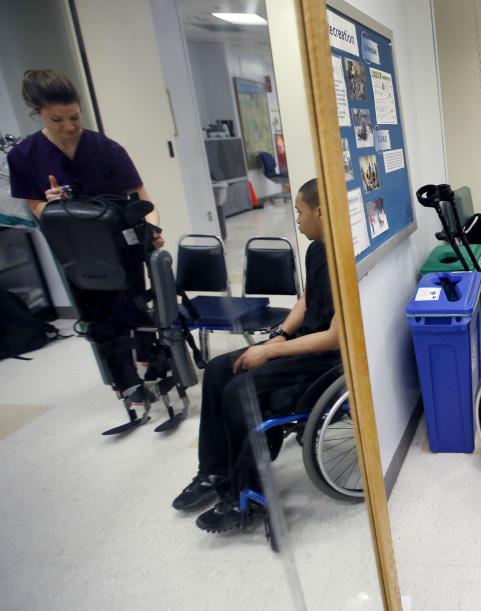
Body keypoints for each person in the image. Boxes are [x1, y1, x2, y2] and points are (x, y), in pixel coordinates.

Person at [173, 179, 341, 534]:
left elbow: (335, 337)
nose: (296, 218)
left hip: (325, 358)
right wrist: (278, 335)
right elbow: (307, 302)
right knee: (219, 369)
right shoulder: (316, 250)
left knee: (239, 390)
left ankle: (244, 492)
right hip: (301, 341)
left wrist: (269, 351)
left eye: (299, 210)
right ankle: (214, 470)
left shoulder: (346, 261)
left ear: (321, 211)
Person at [6, 69, 163, 405]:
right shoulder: (23, 156)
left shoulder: (106, 149)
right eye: (57, 119)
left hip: (121, 245)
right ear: (38, 113)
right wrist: (50, 209)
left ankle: (156, 364)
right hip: (75, 251)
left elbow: (140, 196)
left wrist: (152, 230)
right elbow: (33, 204)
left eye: (74, 117)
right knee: (99, 317)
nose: (69, 126)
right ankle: (127, 384)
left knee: (134, 306)